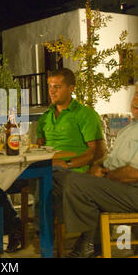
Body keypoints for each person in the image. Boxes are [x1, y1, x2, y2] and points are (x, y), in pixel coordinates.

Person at [56, 76, 138, 258]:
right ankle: (87, 239)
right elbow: (111, 160)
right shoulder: (134, 126)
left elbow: (137, 173)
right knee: (55, 175)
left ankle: (89, 242)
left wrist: (102, 177)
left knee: (75, 182)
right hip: (122, 186)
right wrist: (97, 167)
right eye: (137, 95)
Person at [33, 68, 105, 242]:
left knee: (46, 180)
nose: (51, 91)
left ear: (71, 88)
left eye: (57, 86)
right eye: (50, 86)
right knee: (0, 179)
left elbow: (96, 151)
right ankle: (15, 227)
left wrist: (69, 164)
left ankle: (46, 234)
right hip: (48, 169)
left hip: (74, 171)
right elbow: (39, 148)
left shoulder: (85, 114)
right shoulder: (45, 117)